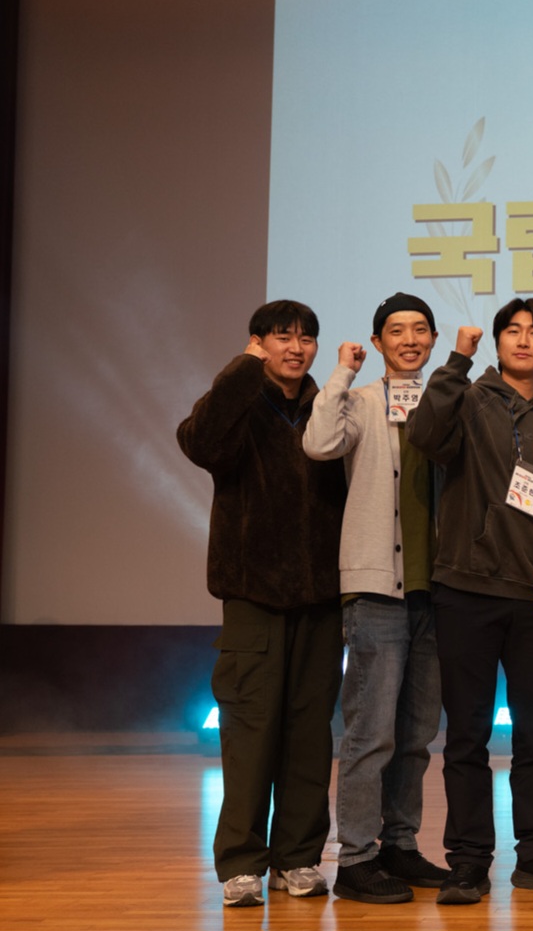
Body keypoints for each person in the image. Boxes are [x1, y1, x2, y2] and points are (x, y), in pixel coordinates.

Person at [405, 297, 533, 905]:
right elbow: (424, 436)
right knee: (467, 737)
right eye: (512, 330)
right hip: (465, 590)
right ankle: (468, 861)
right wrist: (457, 359)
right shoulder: (465, 399)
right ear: (498, 342)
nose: (523, 339)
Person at [177, 300, 346, 908]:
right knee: (249, 732)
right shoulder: (239, 402)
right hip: (252, 594)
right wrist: (241, 370)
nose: (296, 348)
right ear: (257, 343)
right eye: (282, 337)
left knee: (310, 733)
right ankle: (242, 863)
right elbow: (199, 443)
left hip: (322, 597)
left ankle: (297, 857)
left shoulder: (330, 406)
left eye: (306, 338)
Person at [303, 292, 449, 903]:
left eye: (420, 330)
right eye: (397, 330)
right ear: (378, 341)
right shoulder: (360, 401)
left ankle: (400, 844)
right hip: (375, 589)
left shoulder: (446, 403)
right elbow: (318, 444)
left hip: (435, 592)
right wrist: (342, 372)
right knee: (371, 734)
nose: (409, 340)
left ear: (434, 339)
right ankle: (356, 857)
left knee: (417, 734)